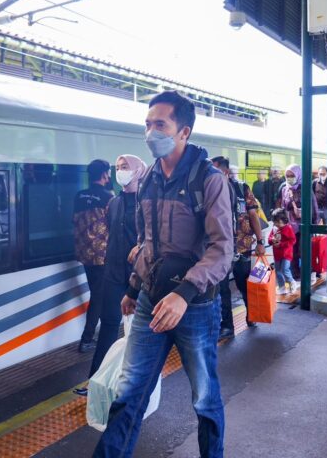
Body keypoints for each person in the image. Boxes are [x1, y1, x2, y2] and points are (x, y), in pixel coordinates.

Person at [93, 91, 232, 458]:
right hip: (150, 302)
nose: (150, 132)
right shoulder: (150, 178)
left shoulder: (209, 180)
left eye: (160, 124)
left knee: (204, 398)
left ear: (183, 131)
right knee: (128, 395)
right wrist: (134, 286)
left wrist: (183, 293)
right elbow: (147, 241)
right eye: (147, 124)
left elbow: (222, 250)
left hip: (196, 308)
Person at [75, 155, 147, 397]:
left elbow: (160, 238)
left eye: (125, 167)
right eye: (117, 168)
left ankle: (135, 381)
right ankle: (96, 380)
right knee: (108, 324)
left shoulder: (148, 202)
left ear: (138, 171)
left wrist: (143, 247)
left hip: (142, 276)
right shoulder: (113, 203)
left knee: (140, 330)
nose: (120, 171)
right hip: (113, 272)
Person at [212, 156, 266, 334]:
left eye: (215, 169)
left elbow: (253, 216)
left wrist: (260, 242)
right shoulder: (209, 191)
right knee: (222, 288)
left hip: (242, 246)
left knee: (243, 283)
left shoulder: (242, 189)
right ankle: (227, 325)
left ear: (225, 171)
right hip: (220, 248)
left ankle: (251, 315)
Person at [73, 159, 114, 353]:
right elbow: (114, 224)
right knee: (98, 296)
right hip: (102, 255)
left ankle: (96, 333)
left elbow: (74, 220)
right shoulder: (108, 197)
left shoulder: (79, 196)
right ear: (105, 175)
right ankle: (86, 339)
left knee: (97, 293)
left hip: (84, 254)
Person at [279, 164, 319, 280]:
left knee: (304, 250)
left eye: (292, 175)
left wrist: (315, 224)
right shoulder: (284, 189)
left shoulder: (305, 188)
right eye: (287, 175)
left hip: (304, 225)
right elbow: (283, 207)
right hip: (290, 225)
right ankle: (295, 274)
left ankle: (308, 273)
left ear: (298, 175)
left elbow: (314, 205)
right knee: (292, 251)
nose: (289, 178)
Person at [269, 208, 297, 293]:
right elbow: (269, 239)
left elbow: (292, 240)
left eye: (278, 222)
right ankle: (282, 287)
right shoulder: (274, 229)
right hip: (277, 254)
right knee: (278, 271)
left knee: (285, 269)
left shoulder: (288, 228)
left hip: (286, 254)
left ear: (283, 220)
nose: (276, 224)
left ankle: (292, 282)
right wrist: (272, 240)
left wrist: (281, 244)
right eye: (275, 222)